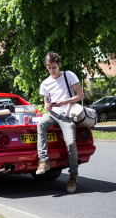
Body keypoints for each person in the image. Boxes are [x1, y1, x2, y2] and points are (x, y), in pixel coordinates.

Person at [36, 52, 84, 193]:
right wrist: (47, 105)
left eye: (54, 68)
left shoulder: (69, 75)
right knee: (40, 124)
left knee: (70, 142)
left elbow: (81, 95)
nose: (52, 71)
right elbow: (46, 101)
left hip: (67, 114)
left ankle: (73, 175)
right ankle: (44, 162)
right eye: (49, 68)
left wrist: (65, 102)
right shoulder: (45, 83)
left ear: (59, 65)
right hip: (53, 114)